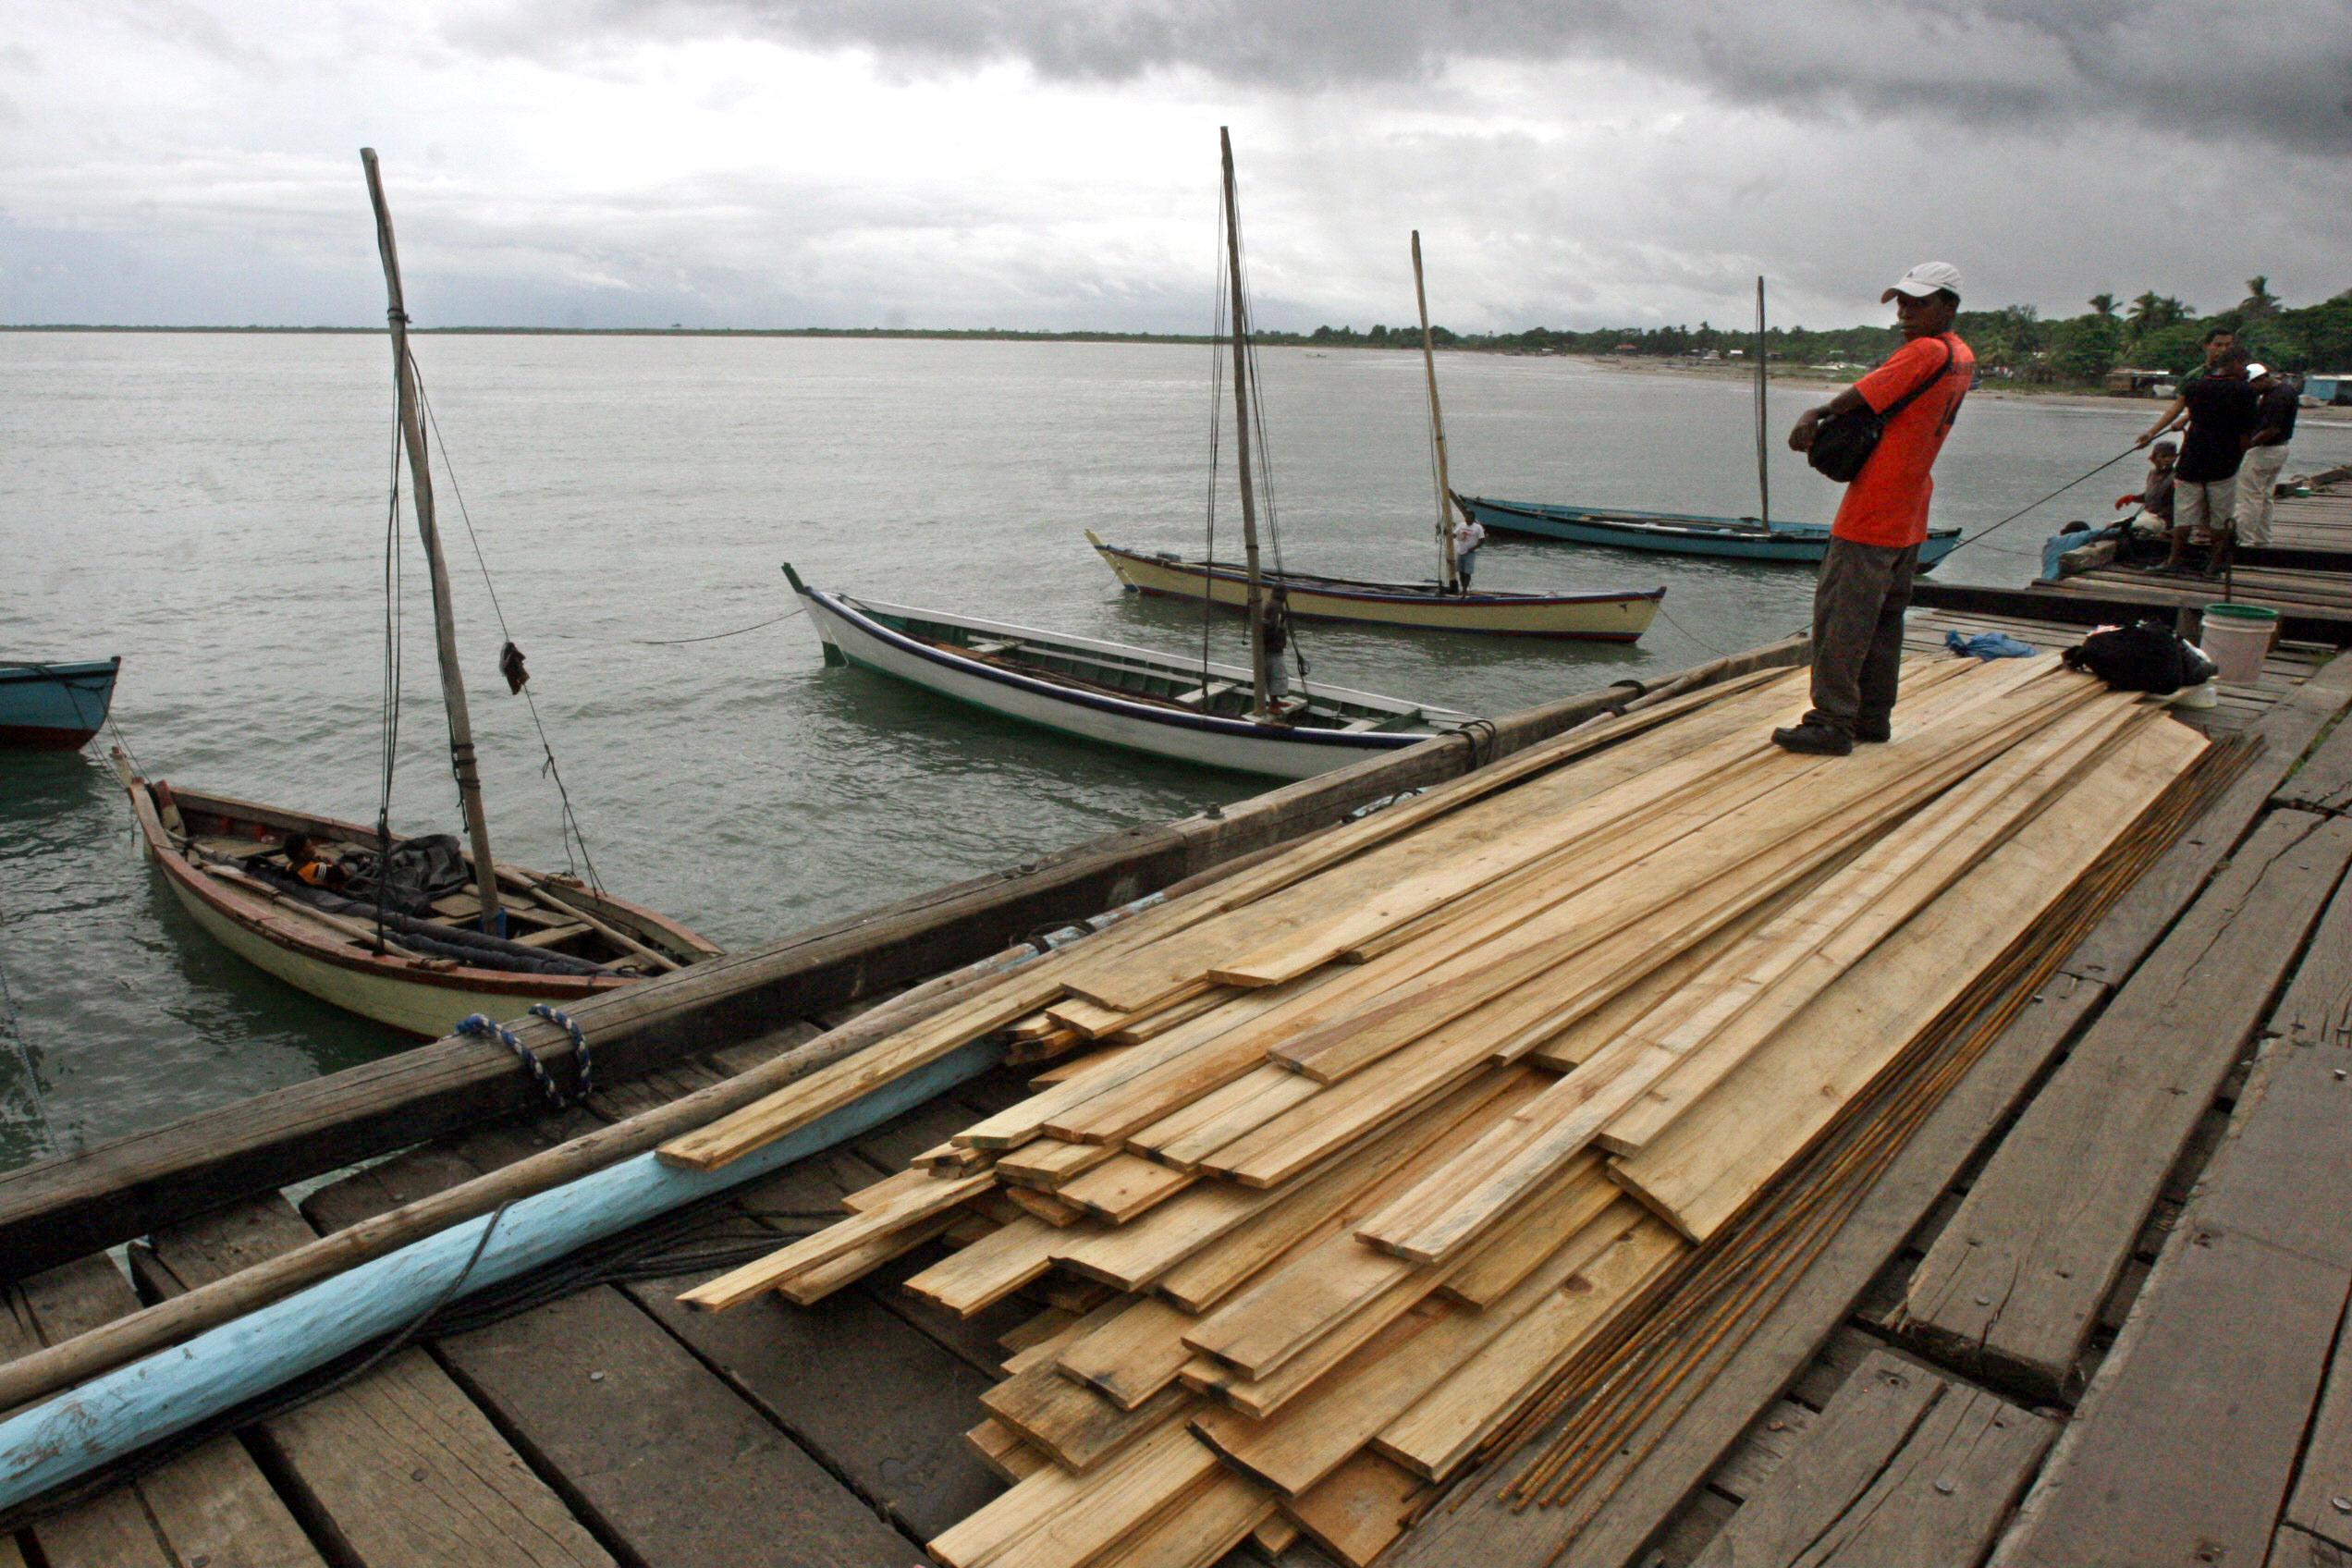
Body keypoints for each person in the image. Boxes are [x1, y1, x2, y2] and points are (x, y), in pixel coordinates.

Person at [1775, 262, 1975, 756]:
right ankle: (1872, 716)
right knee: (1885, 621)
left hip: (1874, 508)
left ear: (1948, 306)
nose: (1906, 313)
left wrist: (1815, 413)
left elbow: (1864, 394)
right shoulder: (1961, 356)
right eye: (1902, 303)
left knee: (1841, 618)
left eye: (1918, 303)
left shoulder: (1925, 351)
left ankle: (1831, 720)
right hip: (1910, 511)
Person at [2154, 346, 2257, 577]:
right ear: (2237, 364)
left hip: (2192, 458)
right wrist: (2240, 459)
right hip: (2224, 462)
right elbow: (2245, 434)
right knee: (2221, 518)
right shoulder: (2246, 392)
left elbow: (2192, 417)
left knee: (2184, 516)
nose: (2246, 371)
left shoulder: (2195, 387)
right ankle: (2213, 565)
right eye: (2245, 365)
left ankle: (2173, 560)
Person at [2137, 325, 2239, 447]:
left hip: (2230, 437)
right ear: (2206, 346)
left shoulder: (2238, 375)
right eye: (2218, 345)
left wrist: (2186, 418)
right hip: (2200, 436)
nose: (2223, 350)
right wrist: (2152, 432)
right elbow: (2178, 406)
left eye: (2228, 346)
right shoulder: (2194, 376)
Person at [2236, 362, 2297, 549]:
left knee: (2249, 496)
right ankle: (2262, 538)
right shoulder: (2286, 390)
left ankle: (2244, 540)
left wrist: (2248, 446)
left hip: (2265, 450)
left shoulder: (2275, 398)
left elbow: (2271, 429)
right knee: (2265, 496)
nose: (2252, 390)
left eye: (2252, 384)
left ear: (2261, 379)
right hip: (2281, 449)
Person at [1259, 587, 1292, 712]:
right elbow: (1274, 627)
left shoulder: (1271, 604)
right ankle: (1273, 705)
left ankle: (1275, 701)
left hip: (1269, 647)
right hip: (1273, 648)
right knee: (1277, 675)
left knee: (1272, 674)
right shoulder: (1277, 607)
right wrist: (1275, 643)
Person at [282, 832, 350, 890]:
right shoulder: (315, 870)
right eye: (310, 846)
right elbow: (346, 874)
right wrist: (334, 862)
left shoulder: (290, 866)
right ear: (301, 853)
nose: (314, 847)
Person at [1450, 508, 1486, 592]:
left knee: (1467, 572)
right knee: (1461, 572)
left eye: (1469, 518)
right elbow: (1454, 534)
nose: (1467, 520)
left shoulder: (1478, 527)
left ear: (1473, 519)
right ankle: (1463, 588)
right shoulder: (1461, 525)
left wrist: (1473, 548)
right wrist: (1448, 533)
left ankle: (1465, 590)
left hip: (1470, 553)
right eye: (1466, 518)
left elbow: (1482, 540)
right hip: (1460, 551)